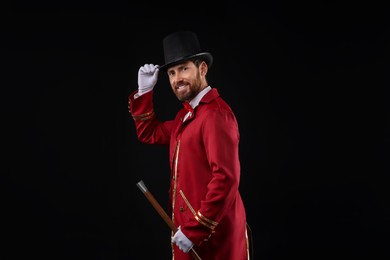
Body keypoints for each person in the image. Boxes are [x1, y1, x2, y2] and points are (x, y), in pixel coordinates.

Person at [128, 31, 252, 260]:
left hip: (213, 237)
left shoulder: (216, 115)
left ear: (202, 69)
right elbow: (150, 133)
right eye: (172, 73)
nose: (177, 79)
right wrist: (145, 92)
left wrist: (197, 229)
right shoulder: (185, 117)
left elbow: (226, 179)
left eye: (184, 69)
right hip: (188, 233)